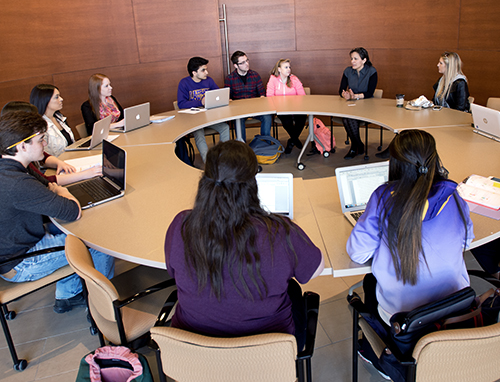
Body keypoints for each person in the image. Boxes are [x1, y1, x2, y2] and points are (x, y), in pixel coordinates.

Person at [164, 140, 324, 348]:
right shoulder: (279, 231)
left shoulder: (181, 226)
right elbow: (314, 271)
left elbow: (171, 272)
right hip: (268, 351)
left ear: (205, 181)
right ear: (252, 183)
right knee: (292, 287)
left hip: (194, 347)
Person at [347, 129, 473, 330]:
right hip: (455, 305)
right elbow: (466, 241)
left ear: (394, 162)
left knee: (369, 283)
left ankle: (373, 347)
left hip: (403, 316)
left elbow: (358, 253)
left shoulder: (383, 198)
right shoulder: (453, 195)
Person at [0, 111, 114, 313]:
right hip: (20, 263)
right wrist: (62, 191)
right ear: (22, 146)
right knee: (100, 242)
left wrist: (56, 190)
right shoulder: (18, 183)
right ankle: (102, 307)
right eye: (41, 139)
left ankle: (68, 295)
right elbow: (72, 211)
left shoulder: (13, 167)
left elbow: (46, 185)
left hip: (16, 247)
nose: (45, 145)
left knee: (70, 233)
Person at [1, 101, 102, 186]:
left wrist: (59, 163)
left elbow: (44, 157)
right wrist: (86, 174)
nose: (44, 143)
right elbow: (46, 181)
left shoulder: (17, 153)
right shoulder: (18, 162)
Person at [177, 57, 230, 163]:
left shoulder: (209, 81)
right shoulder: (184, 83)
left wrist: (223, 98)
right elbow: (181, 104)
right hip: (194, 121)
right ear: (194, 72)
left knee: (225, 128)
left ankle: (223, 159)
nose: (207, 72)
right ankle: (208, 163)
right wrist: (200, 102)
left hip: (209, 118)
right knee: (199, 134)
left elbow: (217, 95)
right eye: (203, 70)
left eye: (206, 69)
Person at [224, 51, 272, 142]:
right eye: (242, 63)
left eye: (247, 61)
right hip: (239, 111)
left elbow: (262, 95)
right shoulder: (229, 78)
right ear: (235, 65)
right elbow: (227, 98)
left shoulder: (255, 75)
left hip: (255, 108)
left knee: (267, 116)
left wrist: (261, 101)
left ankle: (266, 144)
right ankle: (243, 147)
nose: (246, 64)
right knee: (238, 121)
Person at [339, 47, 378, 159]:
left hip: (367, 106)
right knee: (346, 117)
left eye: (356, 59)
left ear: (364, 60)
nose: (352, 61)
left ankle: (355, 146)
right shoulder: (347, 71)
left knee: (349, 118)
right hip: (351, 105)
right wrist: (345, 95)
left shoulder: (372, 71)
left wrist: (356, 96)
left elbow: (370, 93)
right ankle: (357, 145)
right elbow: (341, 89)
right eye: (351, 59)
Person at [266, 59, 306, 154]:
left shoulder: (294, 79)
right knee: (286, 121)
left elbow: (302, 95)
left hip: (296, 108)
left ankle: (292, 140)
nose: (289, 69)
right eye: (286, 67)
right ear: (279, 69)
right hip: (281, 109)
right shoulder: (273, 79)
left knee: (302, 118)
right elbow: (269, 96)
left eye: (289, 67)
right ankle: (295, 139)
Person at [30, 84, 75, 157]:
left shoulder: (59, 118)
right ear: (45, 101)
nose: (61, 99)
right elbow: (44, 156)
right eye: (56, 97)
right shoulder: (39, 125)